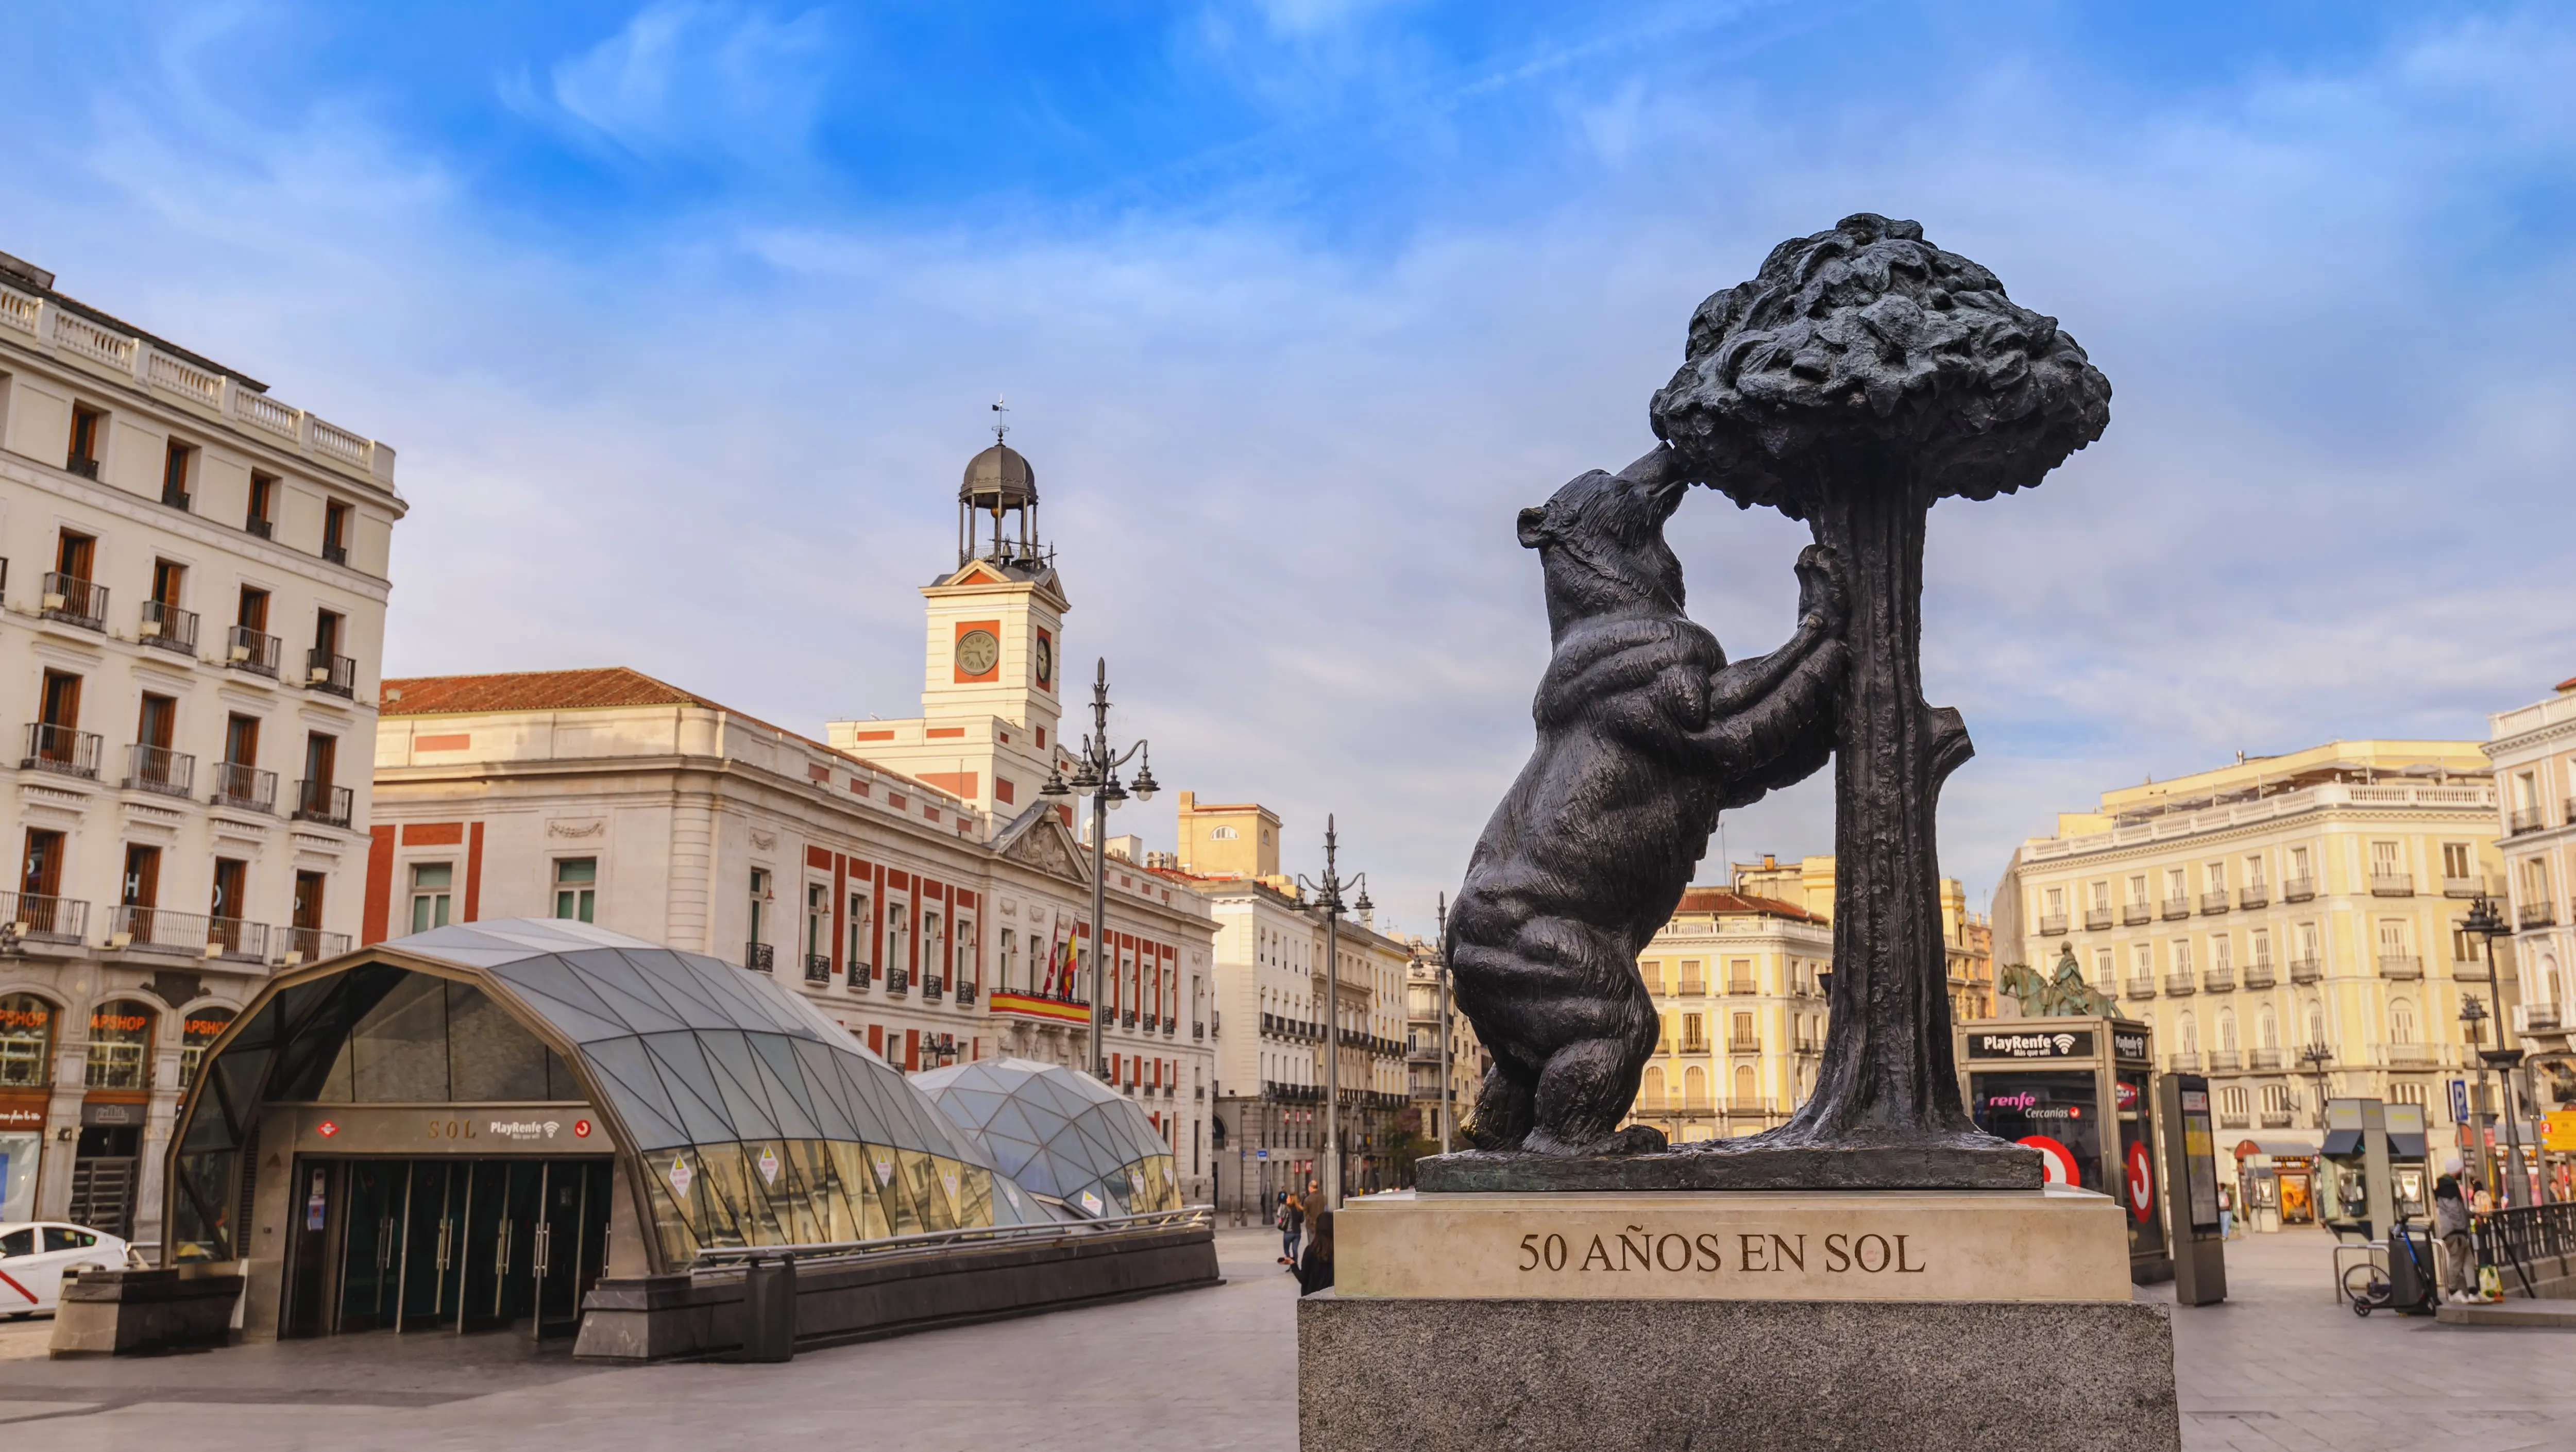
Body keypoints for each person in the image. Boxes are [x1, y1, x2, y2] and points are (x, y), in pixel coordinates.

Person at [2433, 1173, 2474, 1301]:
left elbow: (2460, 1211)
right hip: (2455, 1232)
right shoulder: (2450, 1195)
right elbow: (2456, 1213)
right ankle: (2452, 1290)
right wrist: (2461, 1227)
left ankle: (2473, 1290)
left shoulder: (2445, 1194)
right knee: (2456, 1260)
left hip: (2455, 1232)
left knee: (2469, 1260)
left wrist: (2472, 1215)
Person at [1297, 1209, 1335, 1295]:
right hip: (1332, 1298)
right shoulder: (1337, 1251)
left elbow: (1303, 1278)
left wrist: (1293, 1265)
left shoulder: (1311, 1251)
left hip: (1312, 1298)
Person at [1279, 1189, 1303, 1270]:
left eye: (1288, 1198)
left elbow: (1282, 1217)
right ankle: (1295, 1264)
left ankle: (1290, 1262)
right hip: (1297, 1233)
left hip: (1288, 1233)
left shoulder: (1287, 1208)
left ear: (1291, 1199)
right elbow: (1302, 1220)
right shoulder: (1300, 1209)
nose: (1287, 1199)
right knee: (1295, 1249)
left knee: (1286, 1249)